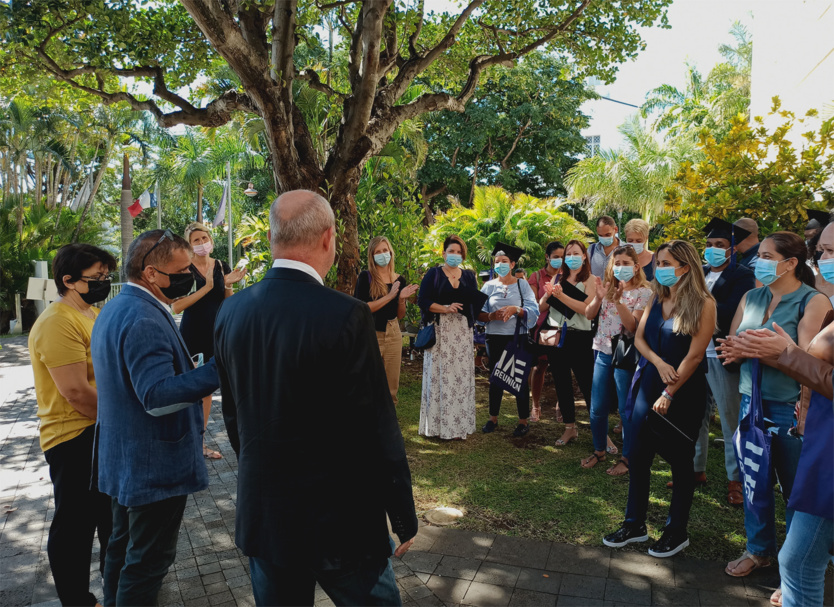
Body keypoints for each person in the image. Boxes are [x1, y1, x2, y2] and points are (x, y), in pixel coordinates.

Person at [214, 190, 418, 606]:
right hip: (341, 520)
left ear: (272, 238)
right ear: (329, 239)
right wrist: (401, 512)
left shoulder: (232, 312)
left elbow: (235, 419)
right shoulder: (346, 314)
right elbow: (377, 424)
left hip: (266, 513)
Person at [91, 229, 221, 606]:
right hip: (153, 466)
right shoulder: (144, 318)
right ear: (150, 273)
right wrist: (219, 368)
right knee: (148, 561)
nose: (190, 276)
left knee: (121, 548)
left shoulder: (116, 306)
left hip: (123, 458)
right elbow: (156, 396)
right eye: (181, 270)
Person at [718, 231, 832, 577]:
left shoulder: (812, 302)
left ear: (791, 263)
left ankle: (797, 565)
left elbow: (809, 364)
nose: (758, 262)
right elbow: (731, 344)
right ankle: (759, 549)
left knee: (795, 491)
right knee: (755, 482)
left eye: (767, 256)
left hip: (790, 407)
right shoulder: (752, 296)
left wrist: (756, 350)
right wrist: (748, 350)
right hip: (751, 403)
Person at [603, 240, 716, 558]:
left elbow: (694, 357)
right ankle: (634, 524)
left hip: (683, 391)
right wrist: (658, 363)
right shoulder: (657, 297)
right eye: (659, 264)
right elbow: (638, 337)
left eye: (666, 264)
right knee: (637, 456)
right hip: (649, 383)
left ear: (686, 267)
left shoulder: (704, 304)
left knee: (681, 463)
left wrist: (670, 391)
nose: (659, 269)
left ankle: (676, 531)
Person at [28, 244, 116, 607]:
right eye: (96, 278)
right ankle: (77, 600)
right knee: (76, 526)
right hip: (74, 436)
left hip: (99, 432)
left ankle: (117, 591)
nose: (103, 283)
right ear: (68, 281)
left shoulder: (90, 313)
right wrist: (124, 417)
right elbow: (76, 393)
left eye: (107, 277)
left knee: (109, 518)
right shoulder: (57, 321)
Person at [687, 218, 755, 505]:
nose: (713, 249)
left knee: (730, 421)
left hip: (721, 354)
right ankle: (695, 470)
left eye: (720, 245)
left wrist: (699, 307)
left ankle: (735, 480)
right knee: (695, 416)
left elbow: (730, 314)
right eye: (710, 244)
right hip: (694, 354)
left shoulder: (741, 275)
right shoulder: (698, 272)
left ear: (732, 248)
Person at [173, 222, 246, 459]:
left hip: (218, 332)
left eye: (205, 238)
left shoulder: (221, 266)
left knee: (217, 388)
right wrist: (207, 287)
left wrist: (227, 285)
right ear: (189, 245)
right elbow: (176, 306)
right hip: (193, 334)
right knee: (196, 389)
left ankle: (200, 444)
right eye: (196, 240)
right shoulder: (185, 269)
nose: (202, 242)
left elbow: (227, 300)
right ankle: (192, 443)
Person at [581, 246, 651, 475]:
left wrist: (619, 301)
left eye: (624, 263)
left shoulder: (644, 293)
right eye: (616, 263)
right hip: (602, 352)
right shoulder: (607, 288)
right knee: (597, 407)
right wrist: (600, 298)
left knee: (625, 409)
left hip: (626, 355)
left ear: (636, 266)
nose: (620, 267)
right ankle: (599, 450)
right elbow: (589, 314)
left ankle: (627, 458)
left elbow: (632, 327)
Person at [417, 235, 482, 440]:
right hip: (440, 331)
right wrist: (445, 308)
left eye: (459, 252)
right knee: (439, 377)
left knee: (460, 379)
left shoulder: (470, 276)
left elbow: (474, 303)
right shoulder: (434, 274)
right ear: (443, 253)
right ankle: (437, 427)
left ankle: (457, 427)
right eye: (451, 251)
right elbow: (423, 301)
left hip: (462, 333)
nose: (455, 255)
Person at [478, 242, 539, 437]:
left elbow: (534, 310)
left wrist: (517, 310)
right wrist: (491, 316)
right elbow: (478, 313)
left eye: (504, 261)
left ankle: (523, 421)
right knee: (495, 378)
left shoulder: (522, 286)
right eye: (497, 262)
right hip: (494, 337)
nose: (500, 265)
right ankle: (492, 418)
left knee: (519, 377)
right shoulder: (488, 286)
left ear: (512, 264)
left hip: (517, 338)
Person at [539, 239, 597, 446]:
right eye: (568, 254)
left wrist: (561, 296)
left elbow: (587, 310)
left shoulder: (591, 279)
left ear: (584, 256)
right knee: (562, 384)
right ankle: (569, 428)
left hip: (580, 337)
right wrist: (549, 293)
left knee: (588, 385)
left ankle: (600, 431)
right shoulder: (558, 277)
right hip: (556, 337)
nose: (571, 257)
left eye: (576, 253)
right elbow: (541, 307)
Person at [354, 236, 418, 405]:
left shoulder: (399, 280)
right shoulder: (365, 277)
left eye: (385, 250)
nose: (383, 254)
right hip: (371, 333)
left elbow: (399, 315)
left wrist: (402, 299)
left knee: (391, 385)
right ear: (372, 255)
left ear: (391, 252)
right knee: (369, 382)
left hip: (393, 332)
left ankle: (388, 426)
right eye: (378, 252)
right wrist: (390, 296)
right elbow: (363, 308)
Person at [528, 242, 565, 422]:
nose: (560, 260)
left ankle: (561, 406)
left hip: (563, 327)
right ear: (547, 257)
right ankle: (535, 406)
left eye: (562, 256)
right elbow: (534, 304)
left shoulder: (569, 276)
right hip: (541, 328)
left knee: (561, 368)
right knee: (539, 367)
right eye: (556, 256)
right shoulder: (536, 277)